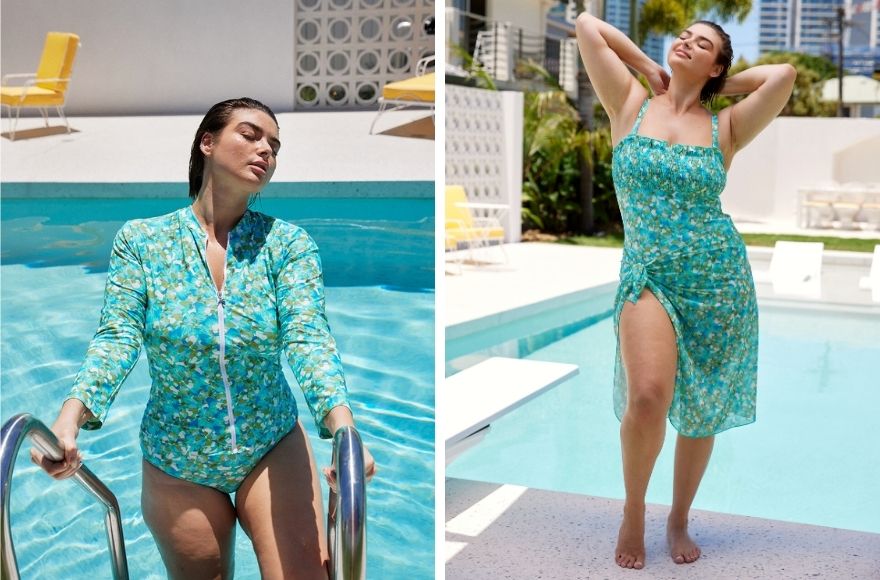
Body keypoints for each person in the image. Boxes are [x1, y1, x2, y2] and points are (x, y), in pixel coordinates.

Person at [31, 97, 376, 580]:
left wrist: (345, 432)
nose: (265, 151)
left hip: (269, 443)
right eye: (251, 134)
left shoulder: (288, 245)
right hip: (178, 460)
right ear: (207, 142)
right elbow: (118, 335)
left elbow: (308, 339)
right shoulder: (142, 241)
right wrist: (70, 418)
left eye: (274, 145)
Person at [575, 14, 796, 570]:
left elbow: (784, 74)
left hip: (717, 279)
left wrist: (717, 87)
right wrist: (652, 68)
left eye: (703, 45)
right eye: (684, 37)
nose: (686, 43)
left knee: (700, 413)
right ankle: (633, 511)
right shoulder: (628, 101)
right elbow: (586, 26)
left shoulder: (726, 125)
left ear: (717, 65)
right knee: (648, 394)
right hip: (649, 275)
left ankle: (678, 517)